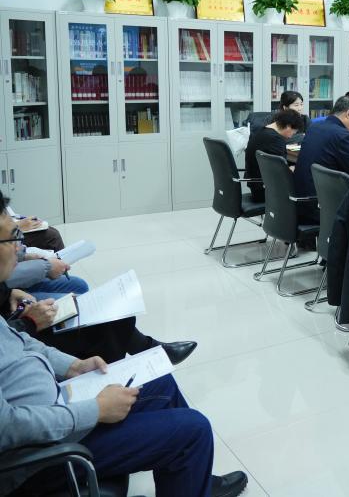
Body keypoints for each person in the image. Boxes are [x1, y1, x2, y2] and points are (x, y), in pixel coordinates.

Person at [0, 202, 247, 497]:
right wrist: (96, 410)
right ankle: (192, 470)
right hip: (40, 457)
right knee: (194, 430)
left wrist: (74, 366)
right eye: (13, 237)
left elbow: (22, 342)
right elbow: (7, 427)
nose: (20, 247)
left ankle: (196, 482)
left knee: (160, 380)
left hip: (56, 407)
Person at [3, 281, 197, 366]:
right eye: (11, 238)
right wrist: (29, 323)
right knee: (104, 322)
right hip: (16, 334)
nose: (16, 245)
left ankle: (147, 350)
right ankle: (142, 354)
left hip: (12, 315)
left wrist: (8, 293)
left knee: (109, 311)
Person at [293, 96, 349, 224]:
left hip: (300, 201)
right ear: (348, 114)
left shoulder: (315, 127)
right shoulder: (343, 135)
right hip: (320, 206)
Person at [243, 108, 304, 203]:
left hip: (257, 187)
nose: (291, 136)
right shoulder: (276, 140)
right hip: (268, 192)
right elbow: (282, 175)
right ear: (288, 126)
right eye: (293, 132)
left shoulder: (260, 132)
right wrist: (291, 169)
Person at [6, 245, 89, 299]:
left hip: (14, 283)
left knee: (80, 285)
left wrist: (23, 256)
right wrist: (47, 266)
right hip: (6, 295)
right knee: (76, 304)